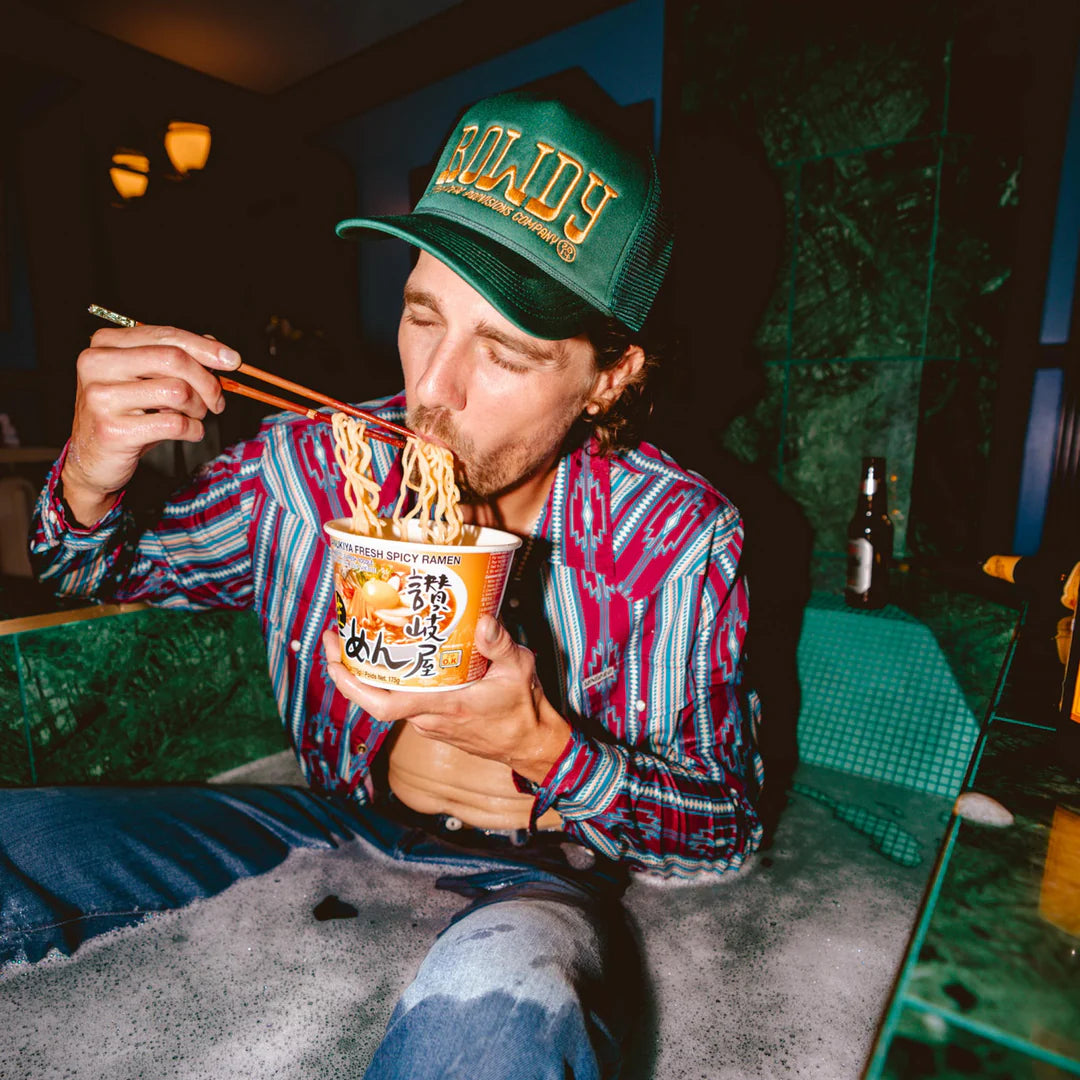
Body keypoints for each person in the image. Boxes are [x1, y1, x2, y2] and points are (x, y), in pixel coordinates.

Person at [5, 86, 764, 1079]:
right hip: (329, 821)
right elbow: (94, 567)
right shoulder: (304, 468)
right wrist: (92, 472)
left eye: (504, 351)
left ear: (610, 376)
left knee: (508, 1006)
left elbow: (719, 837)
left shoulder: (675, 537)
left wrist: (542, 744)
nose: (434, 393)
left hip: (529, 873)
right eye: (421, 316)